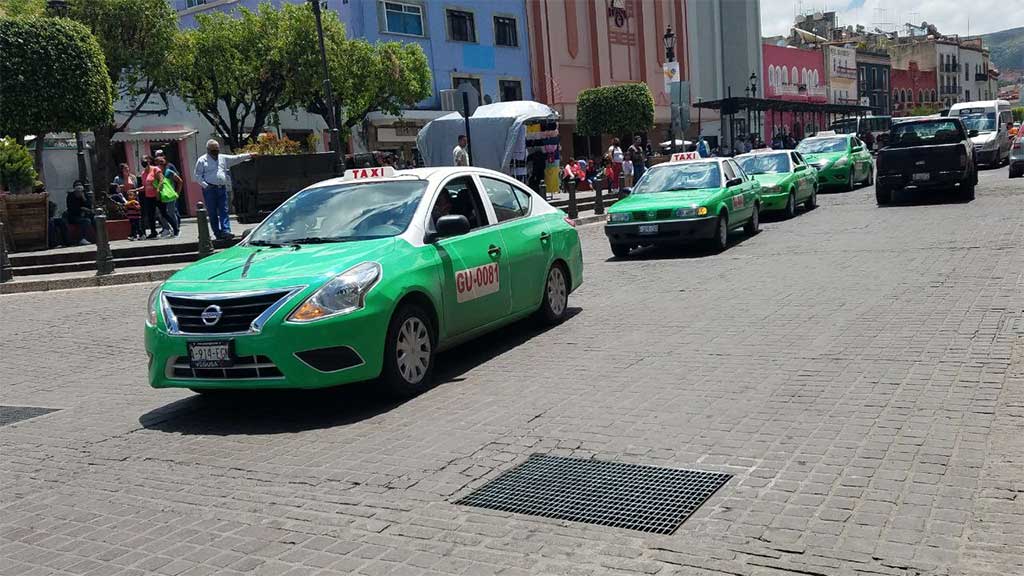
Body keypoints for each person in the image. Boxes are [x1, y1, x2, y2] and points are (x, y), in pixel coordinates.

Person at [193, 139, 253, 240]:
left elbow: (236, 158)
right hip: (210, 189)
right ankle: (217, 232)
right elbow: (197, 175)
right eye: (213, 151)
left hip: (221, 188)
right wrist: (205, 185)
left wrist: (249, 155)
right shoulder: (202, 160)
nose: (215, 153)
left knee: (224, 211)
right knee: (212, 212)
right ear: (208, 150)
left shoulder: (222, 158)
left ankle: (226, 231)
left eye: (217, 150)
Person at [156, 156, 181, 237]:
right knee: (161, 213)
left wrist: (177, 193)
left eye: (161, 162)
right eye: (158, 162)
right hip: (160, 196)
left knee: (171, 213)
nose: (160, 164)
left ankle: (176, 229)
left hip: (170, 196)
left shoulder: (168, 172)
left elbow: (180, 181)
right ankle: (166, 229)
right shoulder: (156, 173)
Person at [65, 181, 94, 245]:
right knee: (86, 221)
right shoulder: (70, 196)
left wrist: (83, 198)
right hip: (74, 216)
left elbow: (89, 206)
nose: (79, 187)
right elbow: (71, 208)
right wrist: (81, 209)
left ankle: (98, 236)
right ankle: (82, 238)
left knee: (94, 218)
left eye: (80, 185)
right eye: (77, 185)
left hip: (84, 214)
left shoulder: (85, 195)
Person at [139, 155, 162, 239]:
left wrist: (158, 190)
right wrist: (135, 190)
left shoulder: (155, 169)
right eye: (142, 161)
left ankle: (173, 229)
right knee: (150, 215)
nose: (144, 162)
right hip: (148, 196)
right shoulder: (143, 173)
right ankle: (153, 232)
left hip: (157, 195)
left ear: (149, 161)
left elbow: (161, 180)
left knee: (163, 213)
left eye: (145, 160)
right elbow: (144, 186)